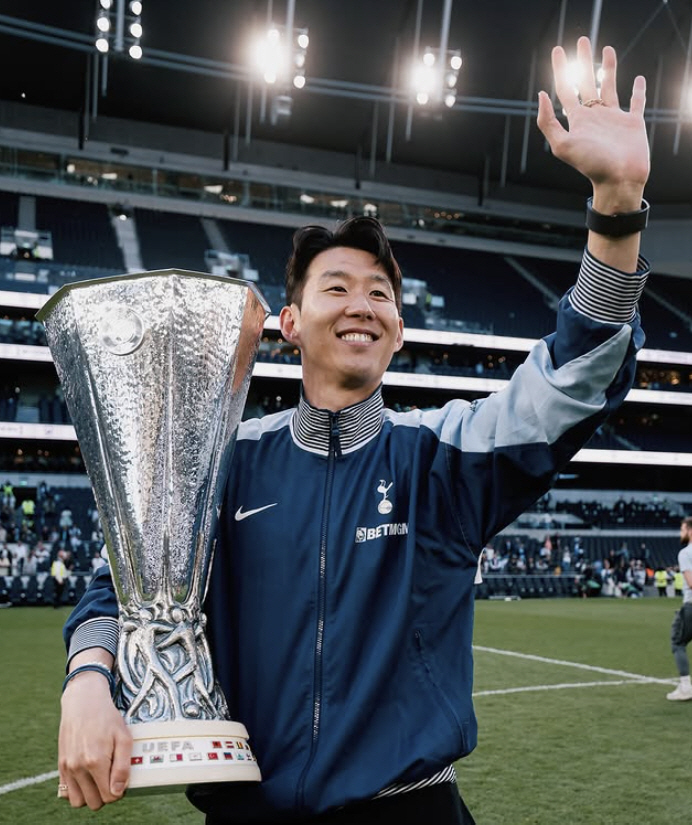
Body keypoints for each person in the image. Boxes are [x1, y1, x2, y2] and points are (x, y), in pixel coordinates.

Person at [57, 37, 650, 823]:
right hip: (247, 813)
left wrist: (617, 204)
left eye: (379, 292)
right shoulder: (226, 462)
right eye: (336, 286)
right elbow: (125, 586)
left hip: (411, 809)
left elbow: (574, 380)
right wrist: (88, 679)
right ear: (291, 323)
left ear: (398, 329)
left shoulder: (444, 455)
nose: (361, 302)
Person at [666, 518, 692, 701]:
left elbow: (691, 583)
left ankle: (685, 687)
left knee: (678, 642)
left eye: (682, 529)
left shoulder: (685, 553)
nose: (680, 533)